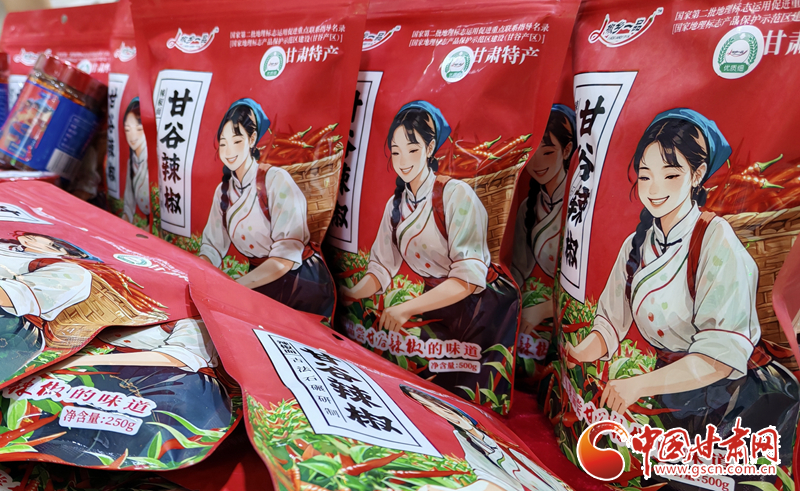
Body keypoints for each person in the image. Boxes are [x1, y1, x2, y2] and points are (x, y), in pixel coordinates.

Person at [564, 109, 800, 461]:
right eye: (645, 175)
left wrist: (637, 384)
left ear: (697, 175)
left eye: (670, 174)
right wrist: (576, 354)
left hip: (737, 402)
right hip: (672, 392)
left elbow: (719, 358)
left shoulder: (715, 238)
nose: (654, 189)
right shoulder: (636, 245)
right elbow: (609, 324)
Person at [340, 101, 518, 389]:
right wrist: (350, 294)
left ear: (430, 147)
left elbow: (467, 280)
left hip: (480, 309)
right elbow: (381, 269)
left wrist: (406, 308)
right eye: (396, 151)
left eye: (412, 150)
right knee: (432, 387)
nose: (403, 160)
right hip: (435, 305)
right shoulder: (396, 205)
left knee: (471, 391)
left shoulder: (455, 194)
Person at [32, 317, 234, 467]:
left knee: (124, 447)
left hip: (164, 384)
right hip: (107, 372)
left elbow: (178, 358)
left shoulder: (195, 321)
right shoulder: (133, 308)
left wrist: (82, 361)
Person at [198, 98, 335, 318]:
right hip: (258, 280)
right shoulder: (223, 191)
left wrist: (235, 287)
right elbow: (212, 247)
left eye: (236, 140)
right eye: (223, 143)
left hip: (301, 284)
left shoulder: (275, 180)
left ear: (252, 139)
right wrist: (198, 273)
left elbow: (285, 258)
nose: (228, 150)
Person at [0, 231, 167, 381]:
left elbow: (12, 296)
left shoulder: (72, 273)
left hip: (13, 333)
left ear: (68, 254)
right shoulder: (13, 248)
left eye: (53, 245)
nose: (37, 238)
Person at [401, 385, 569, 491]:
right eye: (432, 408)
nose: (447, 415)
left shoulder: (485, 430)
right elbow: (482, 469)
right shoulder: (464, 438)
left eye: (446, 410)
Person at [512, 105, 575, 335]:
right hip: (536, 317)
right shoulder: (527, 207)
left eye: (547, 152)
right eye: (532, 153)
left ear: (567, 150)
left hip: (568, 318)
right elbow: (518, 270)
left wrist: (544, 309)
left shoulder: (579, 205)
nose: (537, 163)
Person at [121, 98, 150, 226]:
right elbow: (128, 204)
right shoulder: (131, 162)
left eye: (138, 129)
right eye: (128, 130)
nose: (132, 136)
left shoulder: (152, 161)